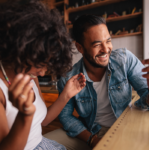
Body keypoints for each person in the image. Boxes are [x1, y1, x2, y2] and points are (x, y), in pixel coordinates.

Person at [0, 1, 86, 150]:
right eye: (40, 65)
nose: (42, 73)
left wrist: (66, 94)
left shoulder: (30, 76)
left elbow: (43, 121)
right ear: (20, 50)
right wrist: (24, 115)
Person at [57, 14, 149, 150]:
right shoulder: (68, 78)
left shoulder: (125, 60)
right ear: (80, 47)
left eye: (108, 41)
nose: (106, 49)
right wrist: (92, 139)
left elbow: (145, 100)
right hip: (91, 131)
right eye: (97, 44)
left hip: (125, 126)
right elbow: (65, 116)